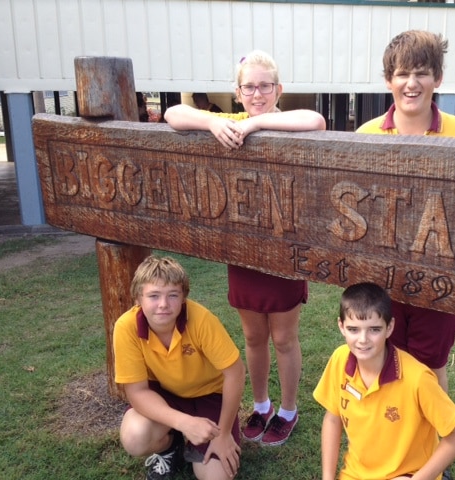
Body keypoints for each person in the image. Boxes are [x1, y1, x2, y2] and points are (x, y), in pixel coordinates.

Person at [164, 50, 326, 446]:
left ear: (277, 89)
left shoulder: (283, 122)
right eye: (249, 87)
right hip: (242, 248)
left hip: (282, 247)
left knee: (284, 338)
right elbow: (171, 114)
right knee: (253, 338)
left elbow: (317, 120)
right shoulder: (229, 121)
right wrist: (211, 121)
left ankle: (288, 408)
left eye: (264, 86)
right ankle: (262, 404)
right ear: (237, 92)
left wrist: (254, 124)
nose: (257, 94)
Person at [357, 30, 455, 394]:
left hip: (441, 279)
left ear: (437, 78)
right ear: (388, 81)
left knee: (430, 365)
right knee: (384, 357)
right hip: (380, 277)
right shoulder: (363, 136)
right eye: (402, 74)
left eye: (422, 72)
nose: (411, 84)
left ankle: (434, 437)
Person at [313, 282, 455, 480]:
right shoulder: (339, 359)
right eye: (353, 329)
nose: (363, 339)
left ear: (390, 328)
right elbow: (333, 417)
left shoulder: (418, 378)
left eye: (374, 330)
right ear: (341, 326)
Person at [113, 255, 246, 480]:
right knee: (135, 437)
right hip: (165, 394)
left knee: (217, 477)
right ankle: (170, 445)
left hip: (209, 395)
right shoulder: (126, 327)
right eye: (153, 296)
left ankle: (204, 438)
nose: (163, 304)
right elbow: (137, 392)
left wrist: (222, 434)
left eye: (172, 295)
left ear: (183, 297)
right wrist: (184, 423)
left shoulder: (201, 319)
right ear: (138, 298)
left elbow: (235, 372)